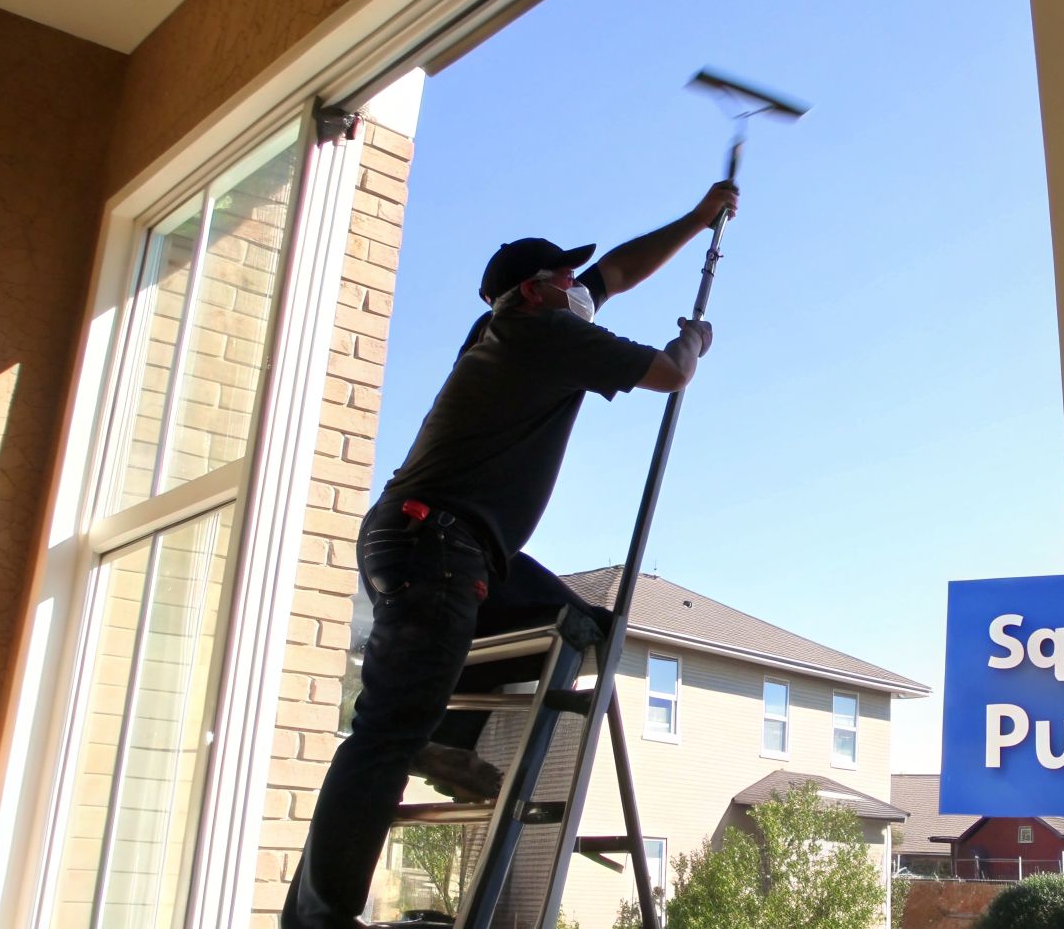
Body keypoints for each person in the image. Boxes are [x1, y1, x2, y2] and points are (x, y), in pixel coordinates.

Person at [282, 181, 737, 928]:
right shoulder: (542, 336)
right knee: (382, 735)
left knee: (571, 619)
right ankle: (321, 917)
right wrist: (696, 338)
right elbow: (670, 374)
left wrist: (694, 219)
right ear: (533, 291)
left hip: (450, 544)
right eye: (565, 279)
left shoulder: (505, 328)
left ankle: (445, 739)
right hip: (438, 544)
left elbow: (615, 273)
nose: (579, 289)